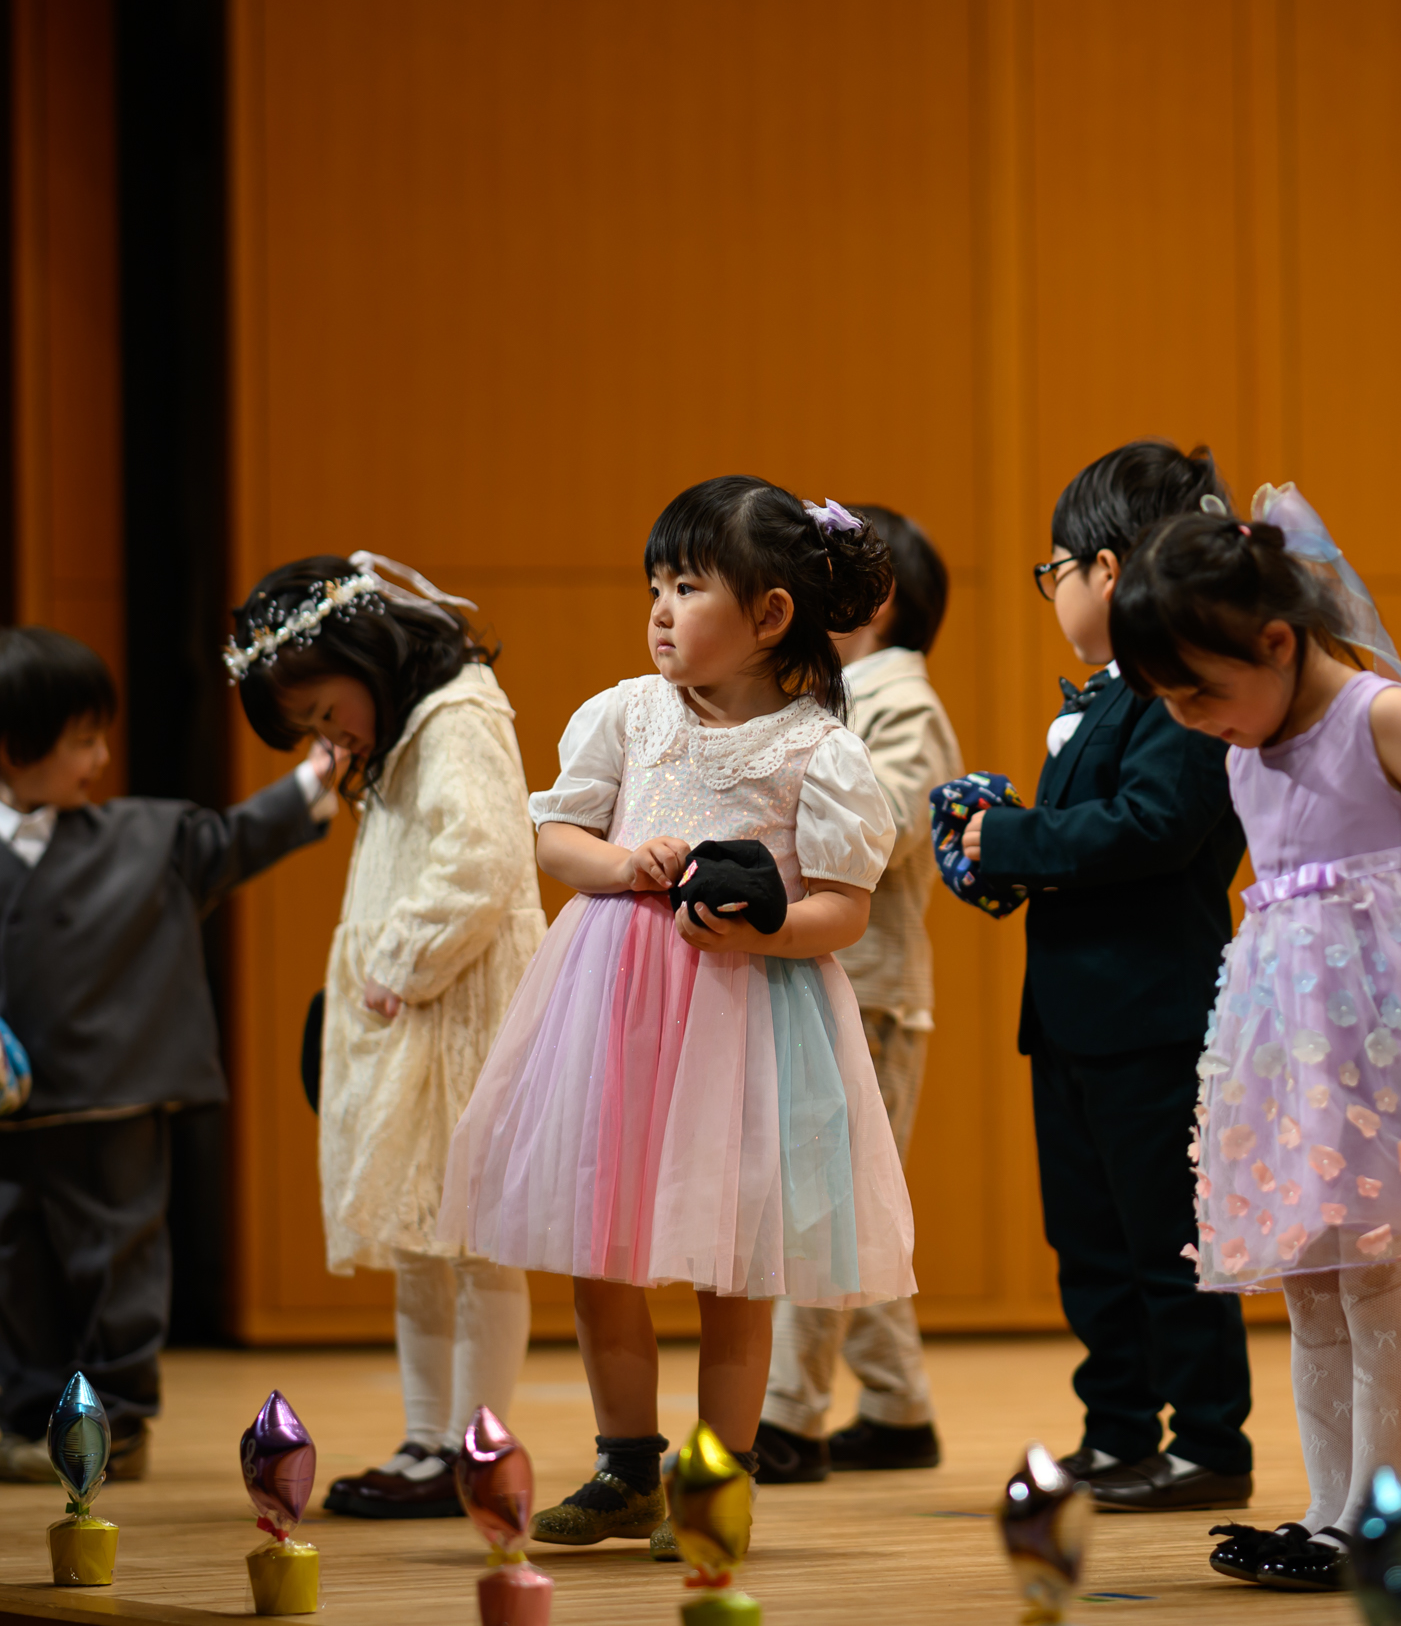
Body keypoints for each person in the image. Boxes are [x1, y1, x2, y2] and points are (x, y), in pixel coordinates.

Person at [1109, 486, 1401, 1591]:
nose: (1190, 716)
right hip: (1293, 1046)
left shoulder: (1377, 714)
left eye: (1200, 689)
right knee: (1307, 1288)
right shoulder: (1240, 743)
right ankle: (1325, 1511)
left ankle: (1373, 1514)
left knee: (1374, 1285)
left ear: (1276, 640)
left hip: (1389, 1038)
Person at [434, 478, 909, 1559]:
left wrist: (764, 927)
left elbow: (843, 904)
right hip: (611, 1015)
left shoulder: (815, 749)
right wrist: (618, 861)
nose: (658, 607)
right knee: (597, 1246)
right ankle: (625, 1464)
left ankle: (717, 1478)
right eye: (653, 583)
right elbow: (553, 838)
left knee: (733, 1262)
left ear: (770, 614)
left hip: (746, 1022)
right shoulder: (624, 713)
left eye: (686, 585)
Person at [0, 626, 334, 1481]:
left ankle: (112, 1421)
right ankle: (28, 1420)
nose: (102, 755)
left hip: (116, 1099)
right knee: (15, 1270)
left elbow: (230, 839)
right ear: (16, 746)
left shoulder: (143, 835)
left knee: (117, 1265)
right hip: (0, 1117)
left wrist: (315, 775)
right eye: (84, 738)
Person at [956, 440, 1254, 1513]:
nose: (1052, 592)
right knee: (1085, 1242)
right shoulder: (1099, 697)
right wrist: (994, 850)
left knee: (1167, 1243)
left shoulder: (1181, 693)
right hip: (1073, 1013)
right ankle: (1119, 1426)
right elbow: (1072, 839)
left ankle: (1210, 1440)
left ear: (1111, 570)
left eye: (1055, 570)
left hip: (1153, 1014)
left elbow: (1151, 829)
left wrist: (1011, 839)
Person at [224, 553, 547, 1520]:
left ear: (368, 655)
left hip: (458, 1010)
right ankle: (426, 1438)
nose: (331, 738)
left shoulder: (458, 716)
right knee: (420, 1237)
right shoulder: (413, 730)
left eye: (328, 714)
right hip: (415, 1013)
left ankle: (472, 1442)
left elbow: (481, 859)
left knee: (476, 1241)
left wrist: (396, 966)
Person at [755, 504, 962, 1483]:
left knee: (819, 1201)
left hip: (869, 989)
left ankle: (786, 1416)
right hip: (822, 977)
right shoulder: (823, 696)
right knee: (845, 1198)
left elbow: (882, 831)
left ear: (869, 599)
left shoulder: (901, 703)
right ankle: (896, 1405)